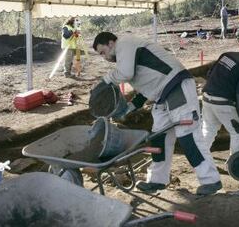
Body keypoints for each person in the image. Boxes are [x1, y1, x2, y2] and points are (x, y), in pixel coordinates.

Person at [93, 32, 222, 195]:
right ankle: (157, 180)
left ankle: (211, 181)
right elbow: (147, 86)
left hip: (176, 88)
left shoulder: (125, 43)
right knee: (158, 139)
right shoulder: (128, 56)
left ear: (111, 43)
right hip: (162, 95)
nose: (104, 57)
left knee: (188, 136)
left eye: (103, 52)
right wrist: (130, 107)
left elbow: (125, 73)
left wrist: (104, 81)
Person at [201, 51, 239, 155]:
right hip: (223, 104)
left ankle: (200, 159)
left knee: (208, 130)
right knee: (237, 133)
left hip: (207, 97)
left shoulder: (226, 55)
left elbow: (210, 73)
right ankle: (234, 164)